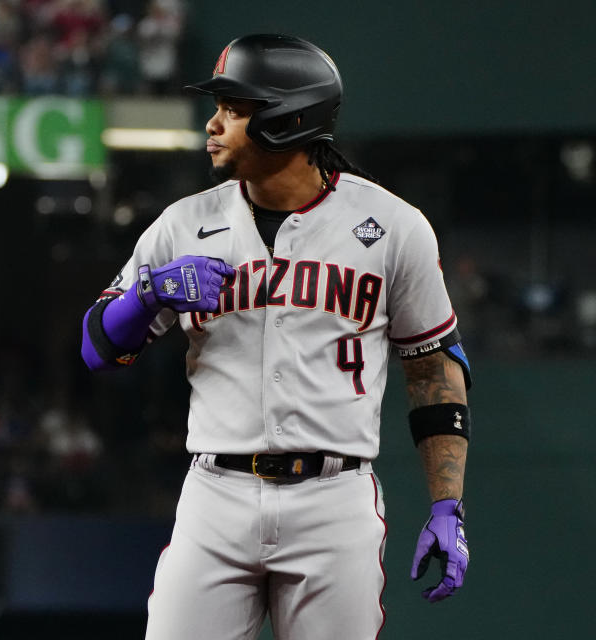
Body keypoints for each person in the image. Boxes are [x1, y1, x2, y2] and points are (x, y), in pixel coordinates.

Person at [80, 34, 472, 640]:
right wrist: (149, 294)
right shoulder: (184, 224)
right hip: (216, 493)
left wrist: (447, 505)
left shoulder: (393, 227)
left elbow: (432, 368)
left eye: (233, 109)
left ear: (288, 121)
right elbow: (96, 349)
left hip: (334, 501)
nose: (212, 124)